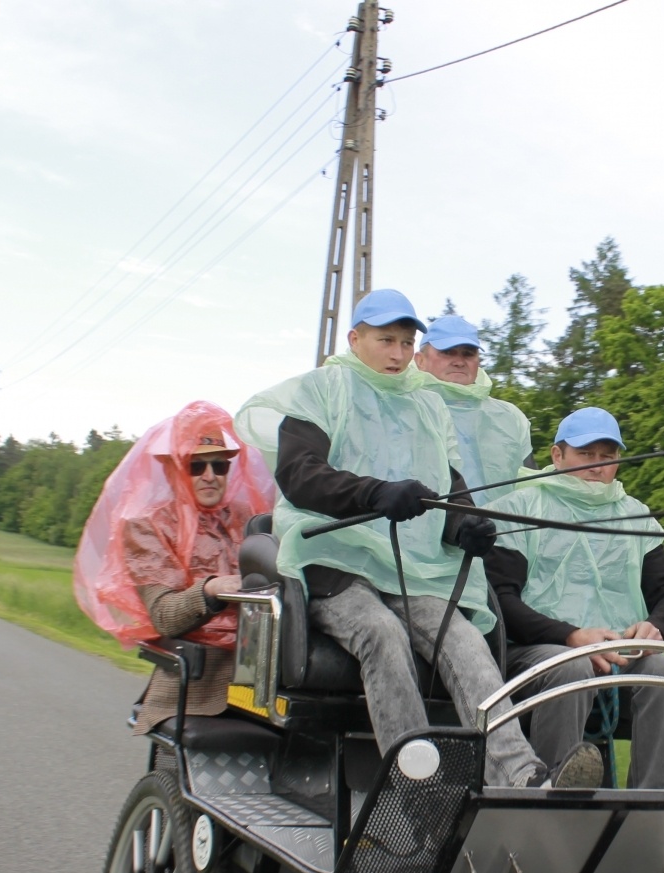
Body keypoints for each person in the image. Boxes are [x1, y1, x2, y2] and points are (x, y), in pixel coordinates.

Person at [235, 289, 602, 789]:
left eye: (407, 343)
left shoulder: (426, 404)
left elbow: (450, 488)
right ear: (355, 338)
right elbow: (299, 474)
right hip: (333, 560)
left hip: (413, 566)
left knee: (465, 641)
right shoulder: (324, 389)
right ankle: (411, 785)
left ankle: (523, 776)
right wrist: (373, 493)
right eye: (386, 340)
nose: (397, 354)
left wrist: (465, 525)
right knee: (380, 633)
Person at [485, 407, 664, 789]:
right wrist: (570, 636)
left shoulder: (635, 516)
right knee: (572, 670)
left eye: (607, 456)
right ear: (557, 455)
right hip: (537, 648)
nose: (598, 467)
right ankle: (549, 795)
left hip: (617, 649)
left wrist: (656, 626)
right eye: (586, 454)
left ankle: (647, 809)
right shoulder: (520, 508)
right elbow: (501, 600)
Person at [74, 401, 276, 736]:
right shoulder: (148, 527)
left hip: (264, 674)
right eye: (196, 466)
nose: (210, 476)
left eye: (219, 466)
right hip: (199, 679)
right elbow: (164, 615)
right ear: (175, 470)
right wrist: (212, 589)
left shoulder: (249, 520)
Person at [413, 315, 535, 506]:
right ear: (420, 360)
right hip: (421, 532)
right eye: (448, 352)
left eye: (468, 353)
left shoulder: (511, 417)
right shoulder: (404, 408)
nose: (459, 361)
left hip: (503, 533)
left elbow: (529, 488)